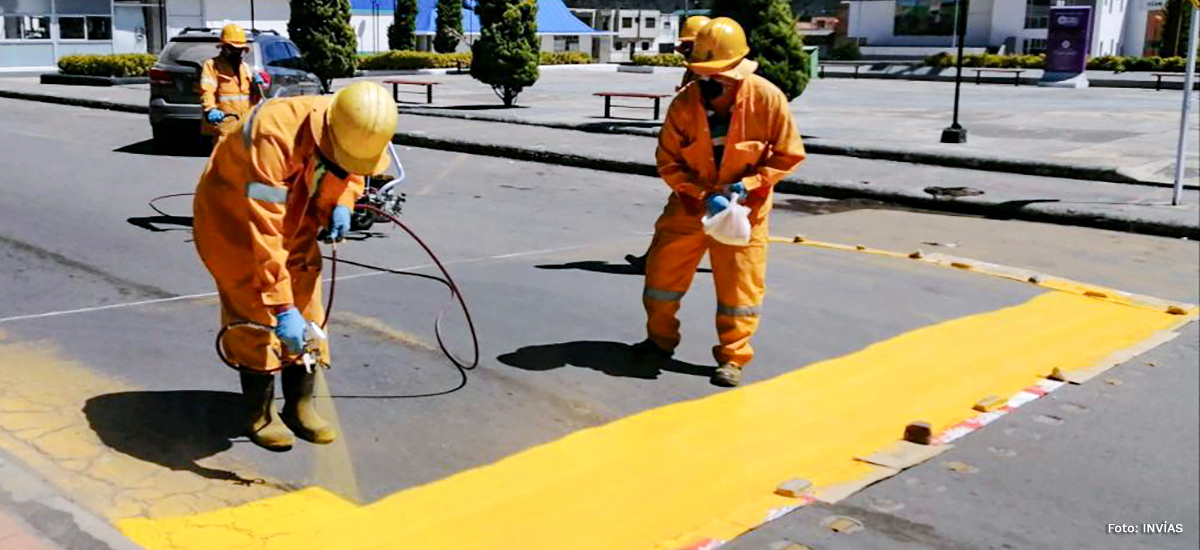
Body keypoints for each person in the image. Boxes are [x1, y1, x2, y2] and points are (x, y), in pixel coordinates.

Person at [192, 81, 398, 450]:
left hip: (295, 209)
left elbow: (349, 166)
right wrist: (282, 308)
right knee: (257, 308)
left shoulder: (351, 118)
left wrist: (344, 202)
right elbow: (266, 229)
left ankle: (300, 405)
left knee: (308, 304)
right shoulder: (272, 135)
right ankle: (260, 412)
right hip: (235, 220)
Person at [636, 17, 805, 388]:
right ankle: (658, 341)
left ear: (737, 69)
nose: (711, 82)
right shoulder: (684, 104)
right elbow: (668, 161)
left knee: (739, 291)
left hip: (745, 211)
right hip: (690, 205)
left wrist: (748, 185)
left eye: (719, 75)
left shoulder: (766, 98)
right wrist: (700, 193)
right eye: (703, 73)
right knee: (662, 279)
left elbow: (788, 155)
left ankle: (732, 357)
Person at [625, 15, 713, 274]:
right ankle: (652, 259)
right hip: (693, 159)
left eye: (688, 47)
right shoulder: (696, 72)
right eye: (683, 48)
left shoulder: (711, 76)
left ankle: (654, 261)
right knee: (688, 219)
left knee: (680, 219)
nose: (684, 53)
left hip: (701, 163)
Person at [200, 24, 264, 141]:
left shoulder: (246, 68)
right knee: (224, 159)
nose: (236, 52)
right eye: (233, 49)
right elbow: (207, 91)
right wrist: (210, 109)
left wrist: (258, 87)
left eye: (239, 50)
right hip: (224, 127)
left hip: (245, 127)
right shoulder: (212, 66)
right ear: (223, 47)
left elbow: (254, 98)